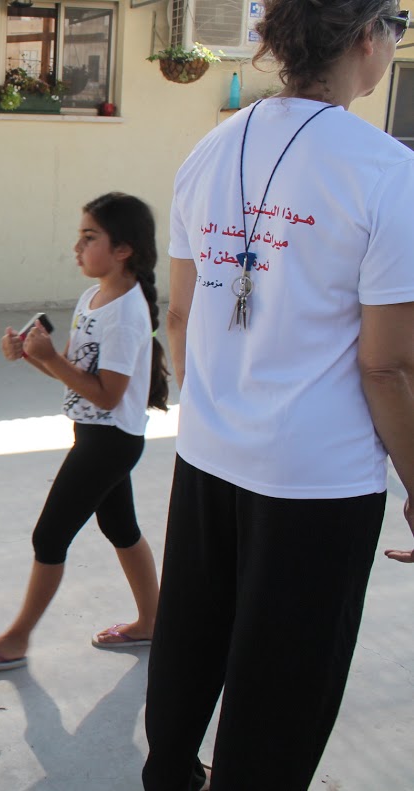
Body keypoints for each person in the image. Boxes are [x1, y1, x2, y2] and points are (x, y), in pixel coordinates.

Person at [142, 0, 414, 788]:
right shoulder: (386, 172)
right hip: (318, 480)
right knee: (284, 692)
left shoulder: (210, 149)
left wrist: (219, 411)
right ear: (367, 37)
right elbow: (387, 366)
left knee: (190, 646)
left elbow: (181, 315)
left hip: (209, 456)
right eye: (397, 25)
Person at [0, 192, 169, 671]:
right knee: (121, 528)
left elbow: (107, 395)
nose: (77, 248)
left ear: (124, 249)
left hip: (111, 441)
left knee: (49, 537)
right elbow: (75, 374)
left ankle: (16, 640)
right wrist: (31, 356)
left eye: (89, 238)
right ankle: (152, 622)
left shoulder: (126, 314)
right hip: (96, 435)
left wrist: (50, 357)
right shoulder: (92, 298)